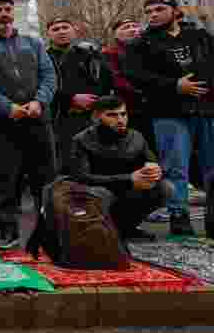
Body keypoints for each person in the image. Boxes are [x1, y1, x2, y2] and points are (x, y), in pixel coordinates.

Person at [0, 0, 58, 249]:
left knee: (46, 179)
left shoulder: (32, 42)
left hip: (38, 120)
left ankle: (50, 231)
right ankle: (7, 232)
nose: (4, 14)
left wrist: (39, 101)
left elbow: (49, 75)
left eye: (8, 9)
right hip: (4, 124)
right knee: (6, 180)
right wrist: (8, 107)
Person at [124, 0, 214, 237]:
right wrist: (175, 85)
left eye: (159, 9)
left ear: (176, 11)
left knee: (211, 167)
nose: (152, 15)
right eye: (149, 11)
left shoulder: (200, 36)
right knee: (176, 167)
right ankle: (178, 216)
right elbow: (134, 75)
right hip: (169, 112)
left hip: (207, 109)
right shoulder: (140, 44)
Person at [67, 95, 171, 240]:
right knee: (100, 194)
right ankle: (100, 230)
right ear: (97, 116)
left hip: (129, 189)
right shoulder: (81, 140)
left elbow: (154, 164)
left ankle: (126, 227)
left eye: (123, 114)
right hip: (98, 191)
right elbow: (81, 178)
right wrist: (129, 179)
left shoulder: (136, 137)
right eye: (112, 115)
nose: (120, 120)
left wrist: (154, 171)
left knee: (164, 188)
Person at [45, 18, 114, 174]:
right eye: (55, 29)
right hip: (61, 118)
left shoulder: (90, 53)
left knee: (99, 163)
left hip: (93, 116)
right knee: (70, 165)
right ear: (48, 34)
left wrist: (94, 102)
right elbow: (43, 88)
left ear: (74, 30)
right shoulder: (43, 57)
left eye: (65, 27)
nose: (61, 31)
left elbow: (106, 80)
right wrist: (71, 99)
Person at [103, 18, 155, 150]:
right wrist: (143, 91)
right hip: (130, 108)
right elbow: (116, 79)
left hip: (156, 106)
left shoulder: (151, 48)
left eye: (135, 26)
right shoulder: (109, 53)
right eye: (125, 27)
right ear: (115, 34)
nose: (132, 29)